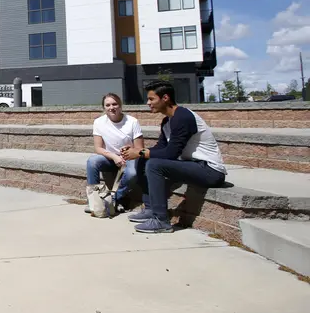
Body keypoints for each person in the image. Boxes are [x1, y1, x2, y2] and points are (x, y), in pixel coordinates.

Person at [121, 80, 227, 234]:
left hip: (210, 171)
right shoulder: (167, 121)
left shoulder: (183, 116)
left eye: (151, 99)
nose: (148, 103)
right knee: (144, 159)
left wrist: (139, 152)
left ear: (165, 98)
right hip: (192, 166)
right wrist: (138, 152)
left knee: (154, 164)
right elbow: (161, 148)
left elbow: (171, 153)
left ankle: (161, 220)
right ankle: (151, 208)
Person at [87, 93, 144, 212]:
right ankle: (94, 201)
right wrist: (114, 156)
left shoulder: (132, 121)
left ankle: (114, 199)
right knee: (92, 161)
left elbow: (139, 149)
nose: (111, 107)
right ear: (104, 107)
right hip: (110, 158)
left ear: (120, 105)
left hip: (129, 158)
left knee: (132, 173)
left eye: (114, 104)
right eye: (107, 105)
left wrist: (130, 149)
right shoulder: (99, 122)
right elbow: (98, 148)